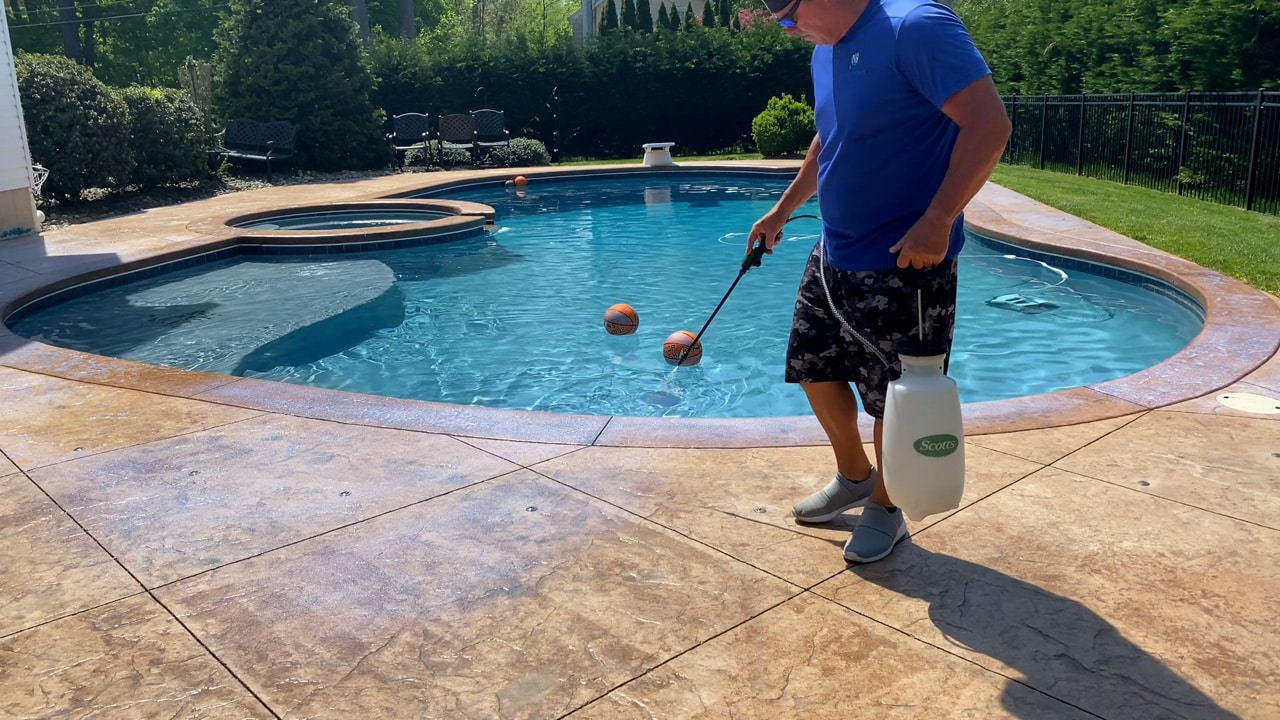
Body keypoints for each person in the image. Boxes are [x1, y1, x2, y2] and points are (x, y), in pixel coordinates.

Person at [749, 0, 1011, 563]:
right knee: (812, 369)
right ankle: (855, 476)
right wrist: (781, 210)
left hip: (906, 264)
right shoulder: (825, 52)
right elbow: (830, 137)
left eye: (789, 18)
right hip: (833, 252)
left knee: (896, 398)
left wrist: (938, 220)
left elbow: (990, 124)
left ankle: (888, 507)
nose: (789, 32)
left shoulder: (915, 26)